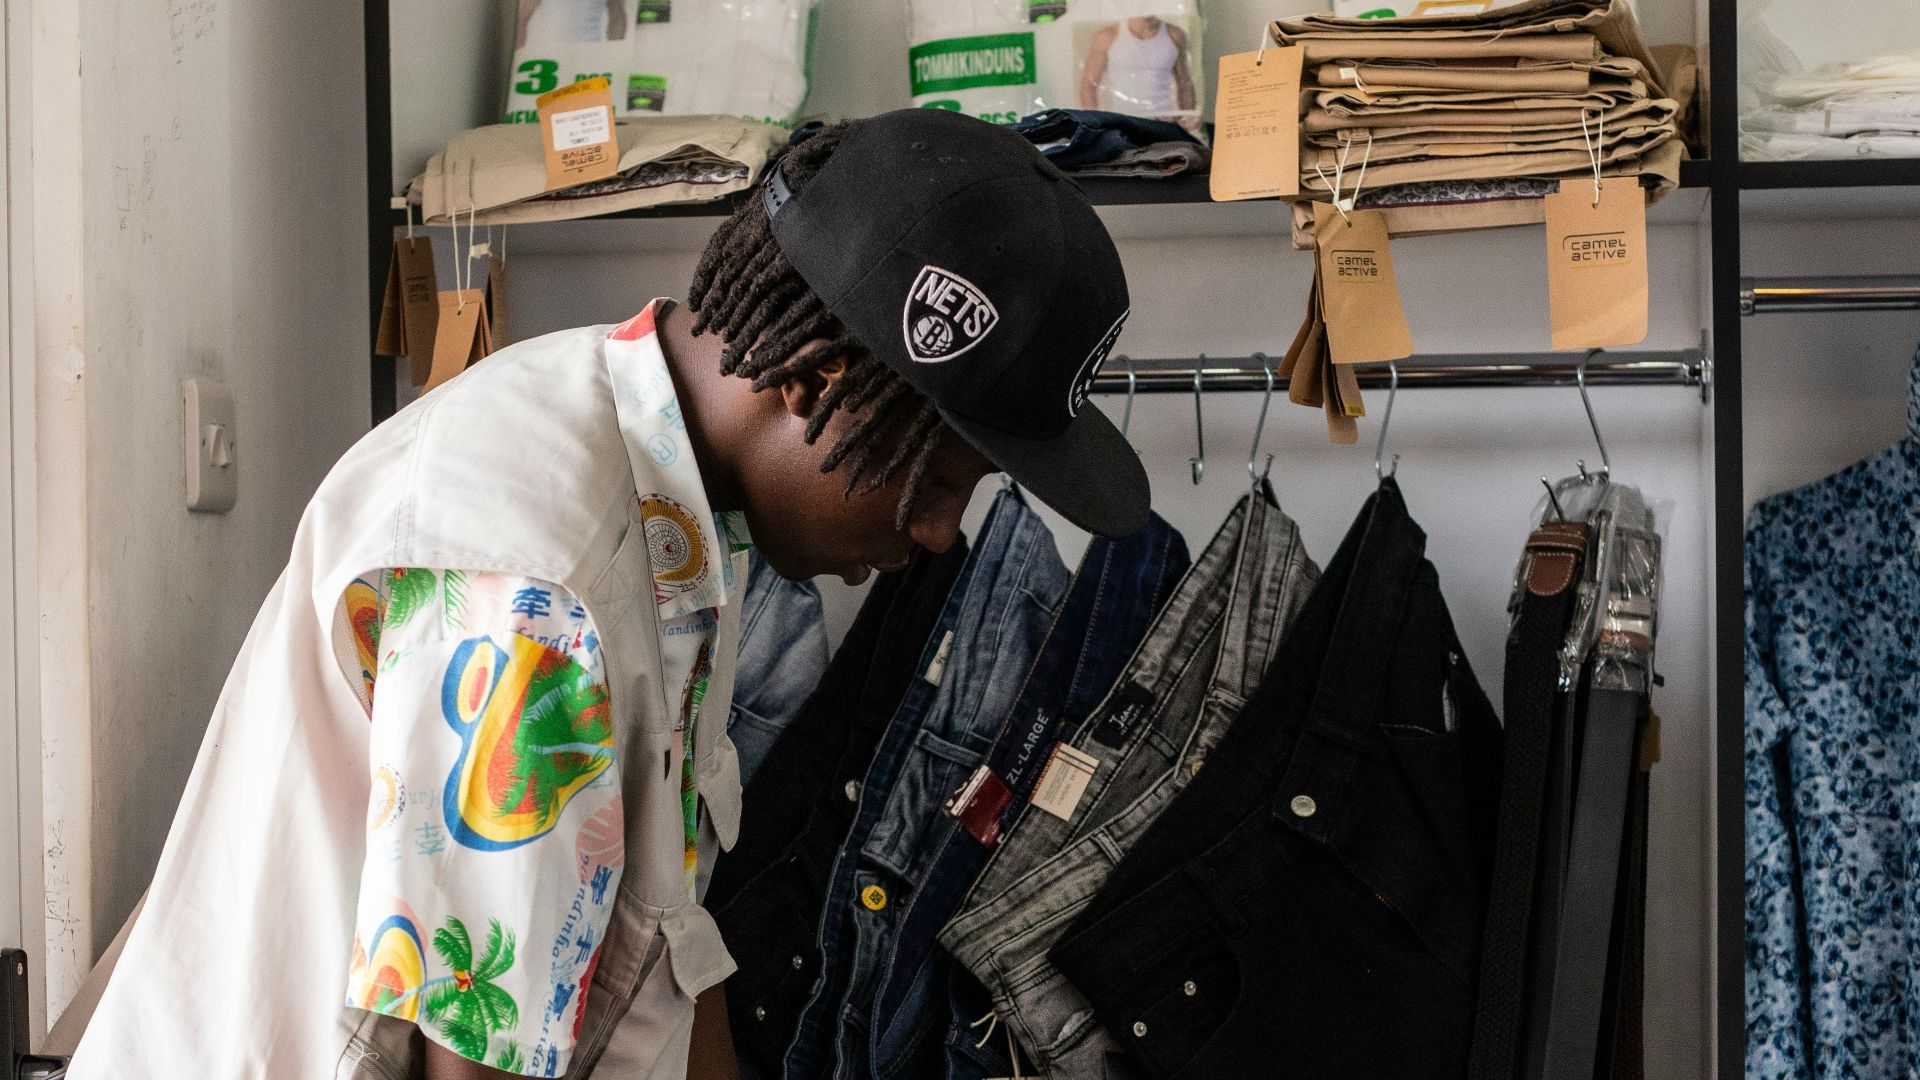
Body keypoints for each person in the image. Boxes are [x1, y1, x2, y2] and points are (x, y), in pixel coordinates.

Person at [65, 108, 1145, 1080]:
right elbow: (473, 1060)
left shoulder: (667, 500)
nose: (939, 531)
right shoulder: (537, 583)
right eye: (943, 476)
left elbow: (670, 942)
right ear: (815, 381)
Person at [1079, 15, 1199, 130]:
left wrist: (1188, 117)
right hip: (1122, 125)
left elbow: (1184, 82)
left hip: (1164, 123)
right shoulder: (1107, 36)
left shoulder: (1175, 35)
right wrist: (1095, 124)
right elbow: (1088, 84)